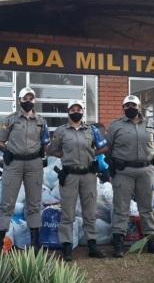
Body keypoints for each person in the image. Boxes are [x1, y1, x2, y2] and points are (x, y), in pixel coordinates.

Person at [106, 94, 154, 258]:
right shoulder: (115, 126)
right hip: (123, 171)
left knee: (146, 208)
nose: (130, 108)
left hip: (146, 171)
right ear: (123, 108)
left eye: (133, 105)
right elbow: (108, 148)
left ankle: (151, 241)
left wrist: (149, 155)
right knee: (121, 207)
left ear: (139, 107)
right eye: (127, 106)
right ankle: (118, 242)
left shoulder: (151, 124)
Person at [48, 99, 108, 261]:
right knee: (68, 212)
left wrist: (92, 154)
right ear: (68, 111)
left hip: (88, 175)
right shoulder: (61, 131)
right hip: (70, 176)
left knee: (90, 211)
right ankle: (67, 246)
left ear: (83, 111)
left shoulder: (91, 130)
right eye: (73, 109)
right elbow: (51, 149)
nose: (76, 111)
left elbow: (104, 146)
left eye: (79, 109)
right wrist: (64, 155)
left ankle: (92, 245)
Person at [0, 86, 50, 252]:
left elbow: (45, 142)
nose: (28, 101)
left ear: (34, 101)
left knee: (34, 203)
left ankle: (35, 244)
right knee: (7, 203)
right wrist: (6, 152)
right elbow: (0, 142)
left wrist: (44, 153)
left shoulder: (41, 121)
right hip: (14, 164)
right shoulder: (10, 119)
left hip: (34, 165)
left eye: (31, 98)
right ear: (19, 101)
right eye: (25, 99)